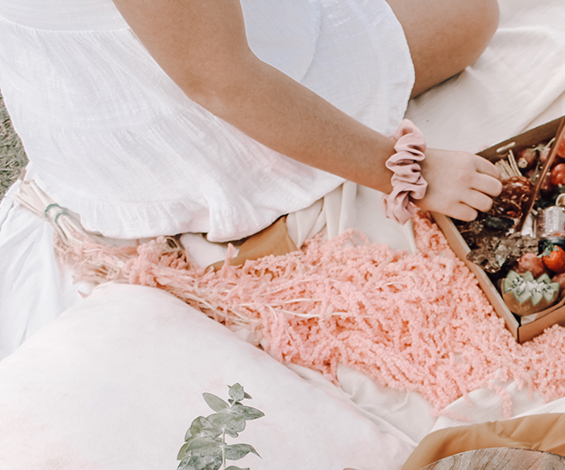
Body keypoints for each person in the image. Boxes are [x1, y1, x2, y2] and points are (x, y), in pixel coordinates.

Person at [0, 0, 502, 358]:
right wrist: (408, 172)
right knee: (466, 14)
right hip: (181, 120)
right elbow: (221, 82)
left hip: (72, 102)